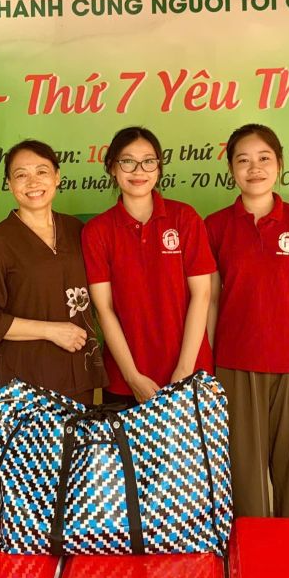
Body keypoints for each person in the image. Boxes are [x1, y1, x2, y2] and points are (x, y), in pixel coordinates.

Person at [205, 123, 289, 518]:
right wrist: (208, 369)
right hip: (234, 366)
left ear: (279, 164)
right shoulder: (215, 225)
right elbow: (210, 299)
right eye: (243, 160)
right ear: (231, 168)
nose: (254, 168)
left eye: (264, 158)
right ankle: (249, 554)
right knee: (243, 483)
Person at [81, 126, 215, 404]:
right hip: (124, 381)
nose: (138, 170)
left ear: (159, 167)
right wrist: (132, 377)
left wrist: (184, 370)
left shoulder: (185, 218)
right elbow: (104, 309)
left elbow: (202, 294)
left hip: (190, 375)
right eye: (128, 161)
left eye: (148, 161)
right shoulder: (97, 231)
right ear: (112, 168)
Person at [0, 139, 106, 403]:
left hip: (78, 371)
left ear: (57, 177)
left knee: (80, 430)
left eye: (42, 171)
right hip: (25, 380)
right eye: (21, 175)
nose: (33, 182)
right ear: (9, 184)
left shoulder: (77, 230)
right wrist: (51, 331)